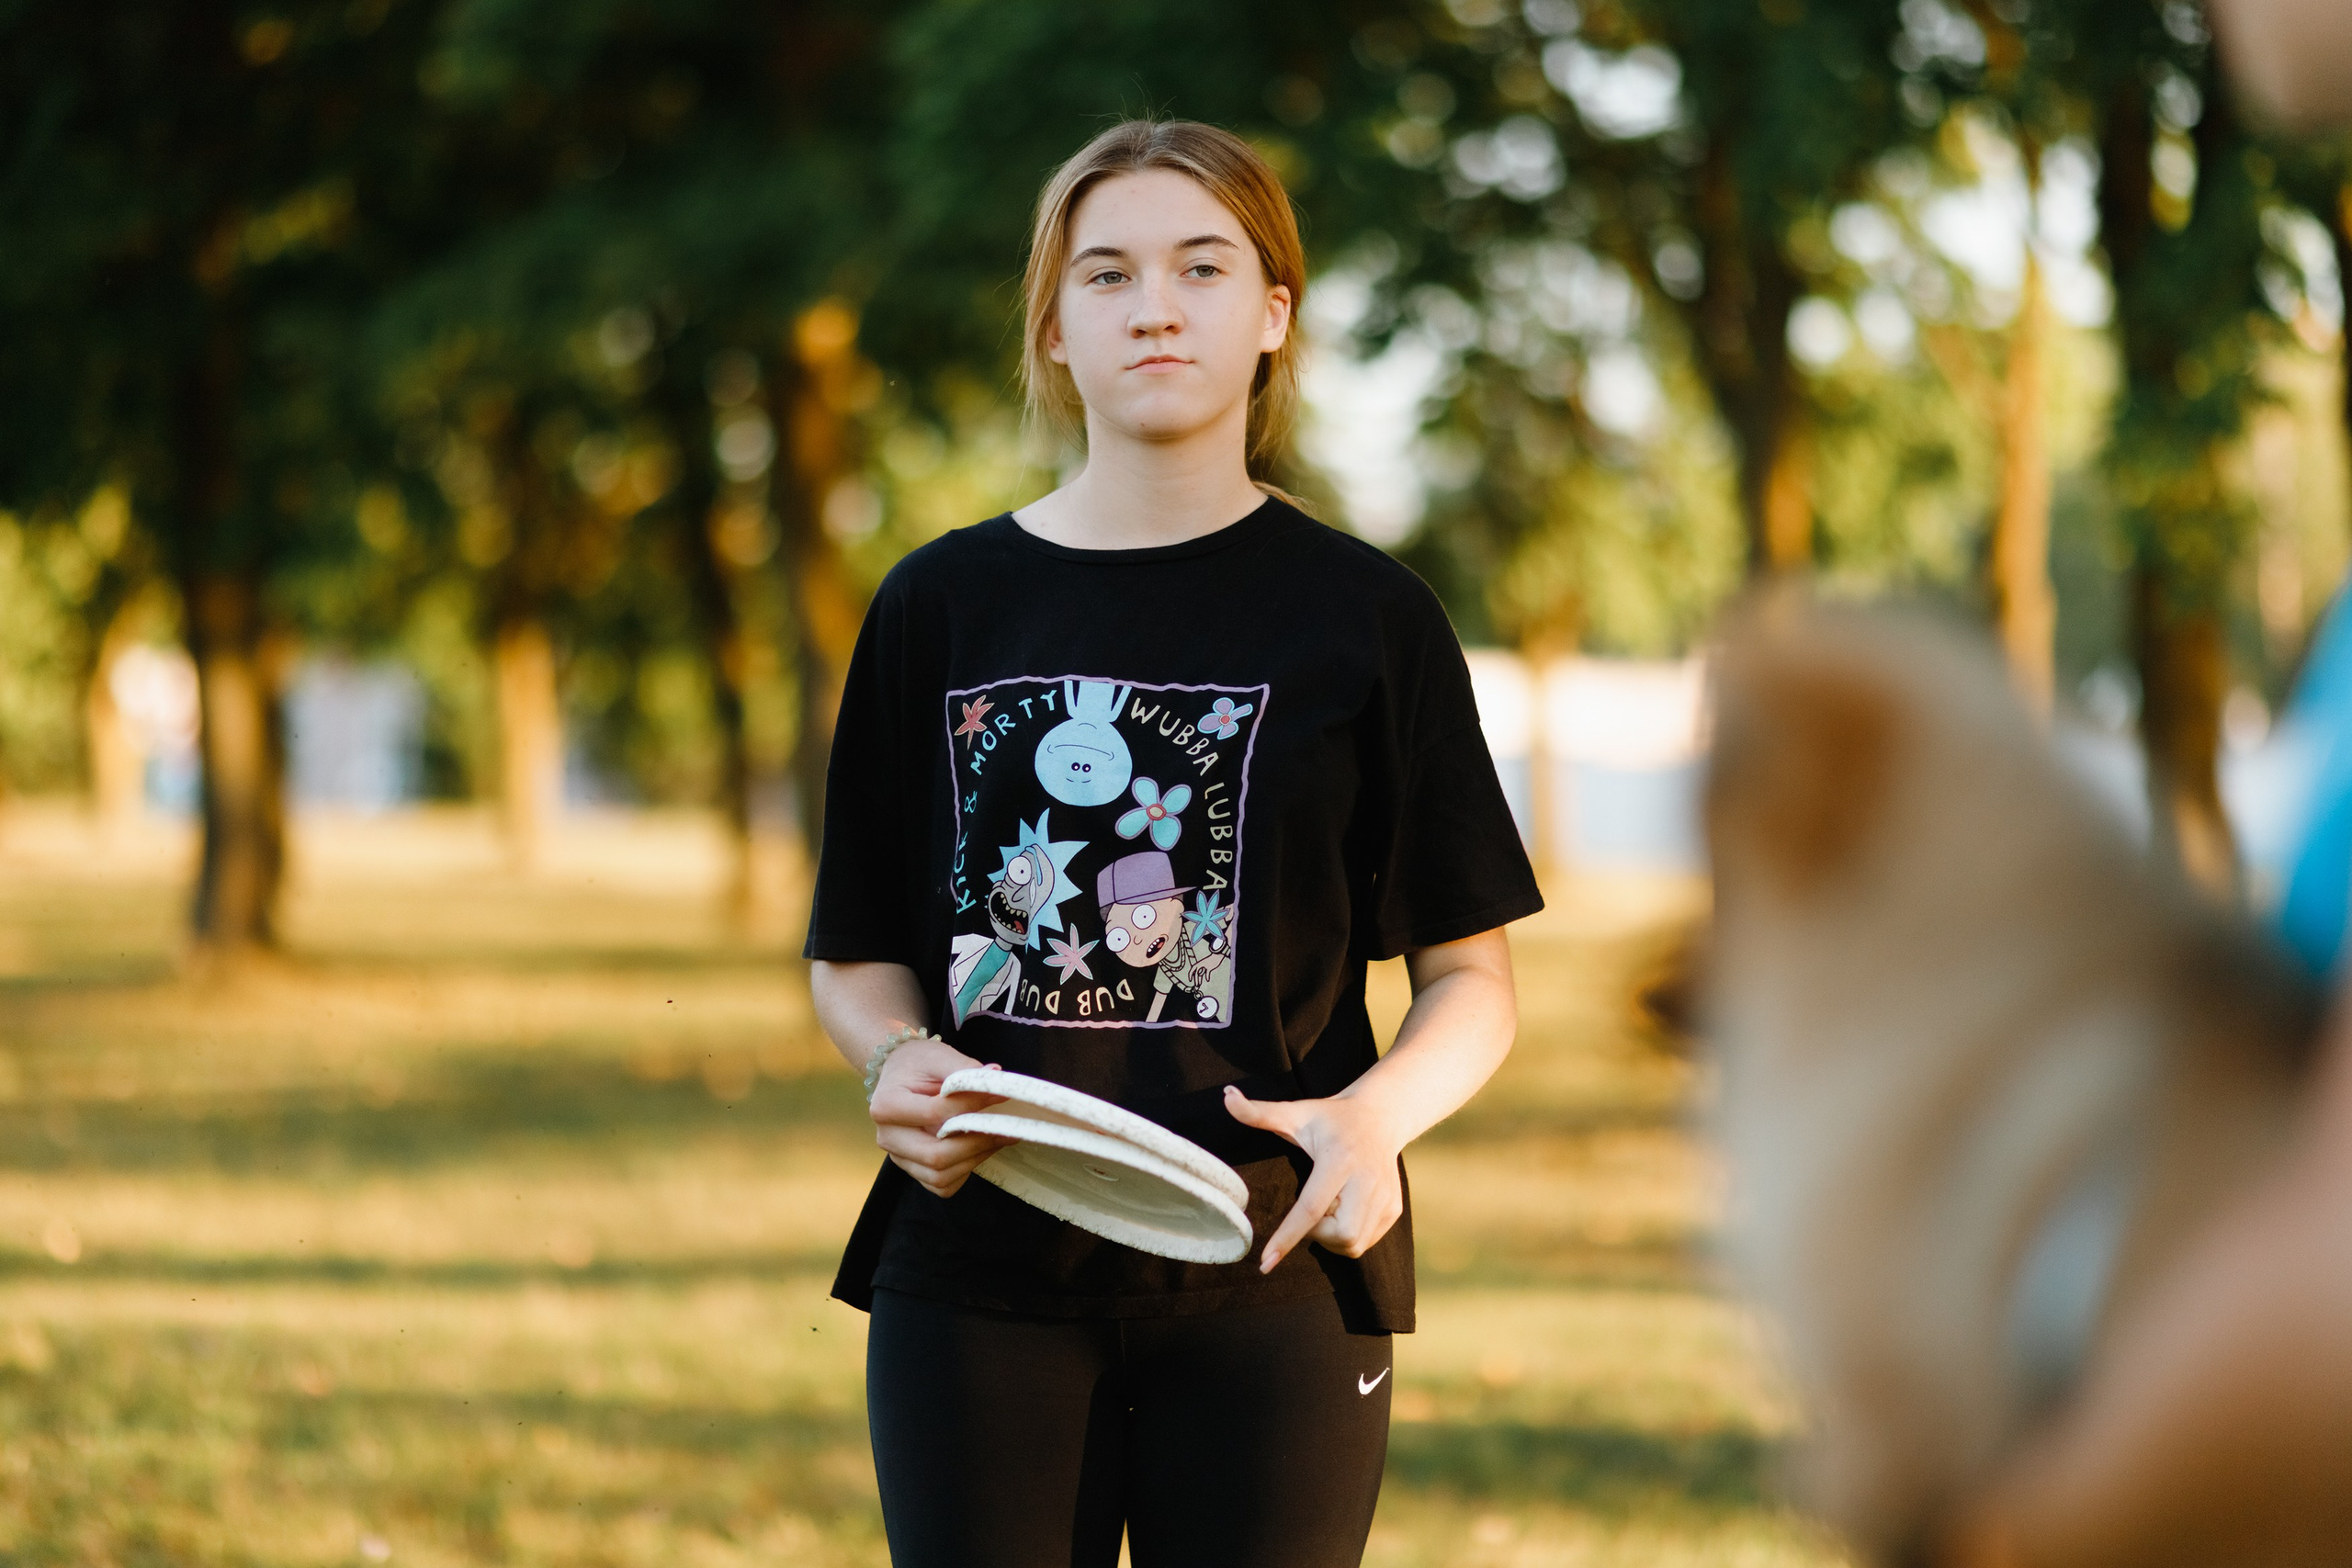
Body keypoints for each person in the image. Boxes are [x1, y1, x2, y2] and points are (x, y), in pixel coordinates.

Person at [804, 118, 1543, 1568]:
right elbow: (859, 956)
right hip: (979, 1275)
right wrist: (898, 1065)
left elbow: (1476, 980)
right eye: (1109, 275)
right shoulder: (938, 608)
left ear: (1272, 317)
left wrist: (1375, 1120)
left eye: (1203, 268)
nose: (1155, 304)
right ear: (1057, 329)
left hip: (1276, 1277)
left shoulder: (1368, 618)